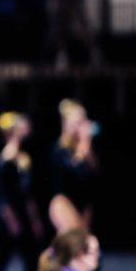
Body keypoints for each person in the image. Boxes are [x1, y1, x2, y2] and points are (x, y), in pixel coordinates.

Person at [0, 112, 44, 271]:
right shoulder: (5, 159)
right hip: (8, 218)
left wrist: (34, 220)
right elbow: (2, 196)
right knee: (1, 258)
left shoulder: (22, 158)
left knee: (32, 258)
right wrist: (12, 222)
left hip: (22, 214)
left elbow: (27, 194)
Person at [49, 99, 98, 233]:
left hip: (83, 204)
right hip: (64, 203)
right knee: (72, 244)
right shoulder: (60, 149)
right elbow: (74, 170)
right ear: (67, 124)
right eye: (78, 122)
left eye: (83, 121)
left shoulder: (83, 148)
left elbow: (94, 172)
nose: (81, 126)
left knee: (81, 246)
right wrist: (85, 142)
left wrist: (86, 146)